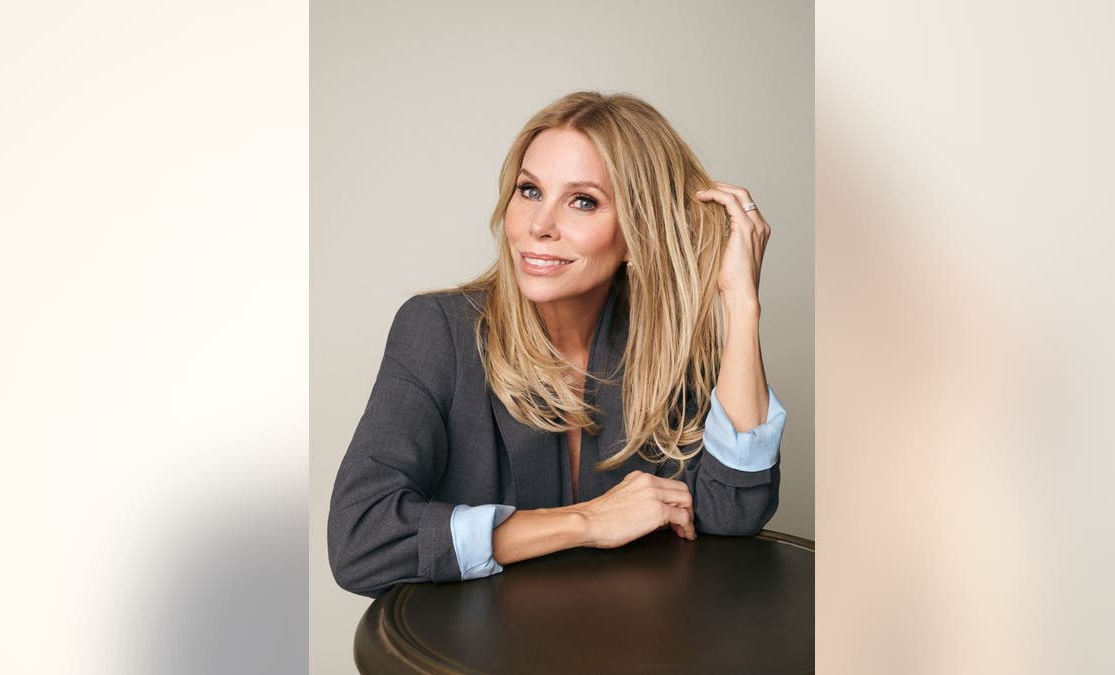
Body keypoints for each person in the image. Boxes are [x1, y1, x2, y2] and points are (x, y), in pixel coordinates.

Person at [328, 91, 786, 598]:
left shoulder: (665, 348)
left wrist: (742, 305)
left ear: (637, 233)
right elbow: (361, 541)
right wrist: (586, 521)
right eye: (529, 191)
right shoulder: (438, 330)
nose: (539, 226)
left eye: (582, 201)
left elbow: (734, 511)